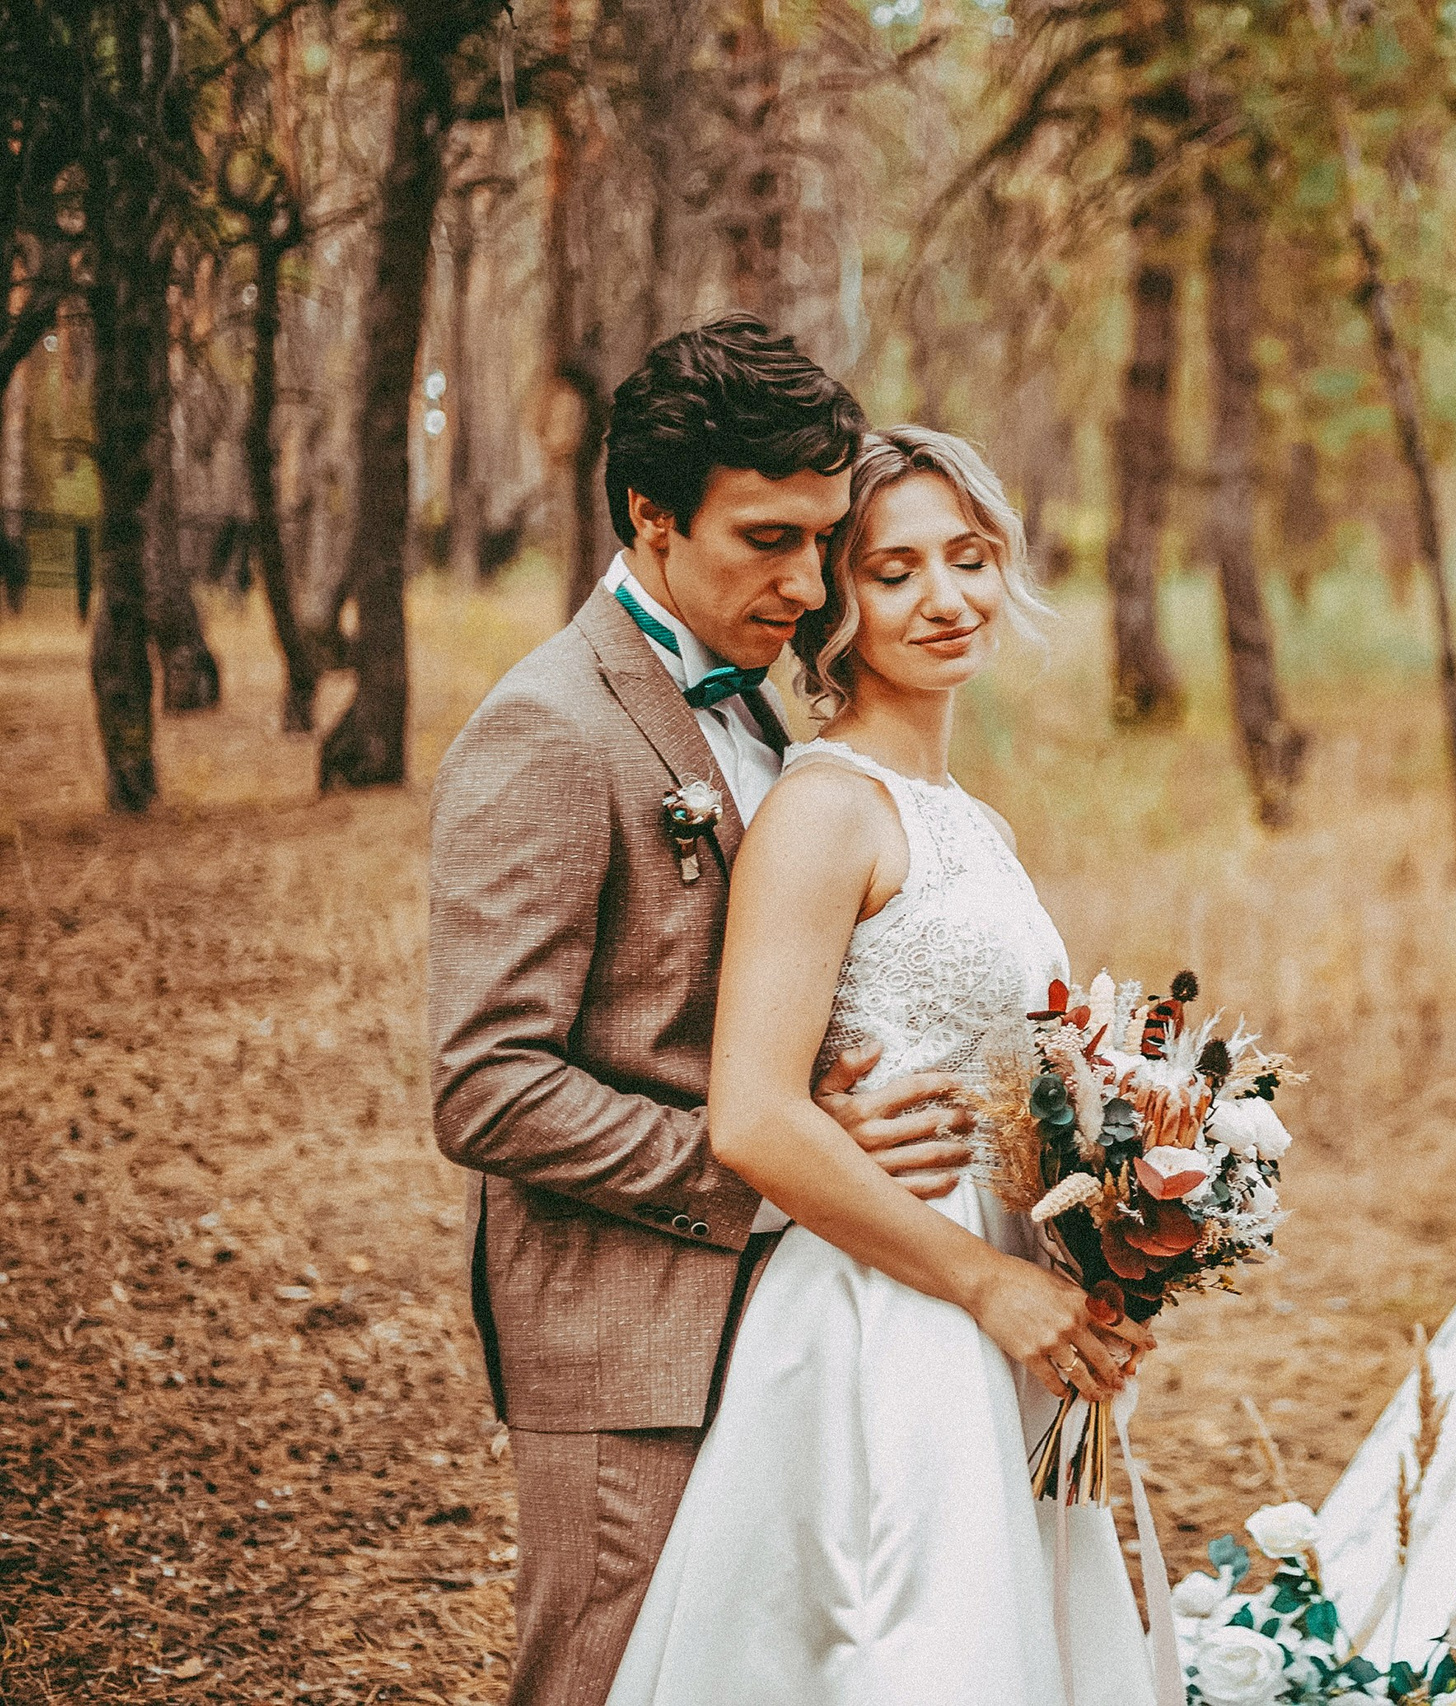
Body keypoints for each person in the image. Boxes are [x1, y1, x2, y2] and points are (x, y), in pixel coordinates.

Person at [429, 317, 979, 1706]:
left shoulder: (767, 715)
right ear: (650, 516)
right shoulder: (549, 728)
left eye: (820, 535)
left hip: (797, 1326)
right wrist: (766, 1162)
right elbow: (488, 1083)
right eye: (766, 540)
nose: (808, 581)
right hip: (633, 1343)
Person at [604, 426, 1157, 1704]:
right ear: (833, 606)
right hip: (889, 1309)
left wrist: (1113, 1247)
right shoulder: (825, 808)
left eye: (966, 558)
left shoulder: (965, 815)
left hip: (998, 1291)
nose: (945, 598)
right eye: (894, 570)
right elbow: (750, 1116)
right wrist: (983, 1283)